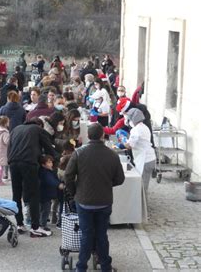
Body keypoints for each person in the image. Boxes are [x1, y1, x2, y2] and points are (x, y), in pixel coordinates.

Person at [64, 123, 125, 272]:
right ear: (103, 136)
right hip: (104, 201)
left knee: (86, 234)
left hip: (84, 201)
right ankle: (105, 266)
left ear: (88, 136)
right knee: (101, 234)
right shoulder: (112, 154)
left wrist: (75, 192)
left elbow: (68, 176)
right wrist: (107, 184)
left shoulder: (79, 153)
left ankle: (81, 267)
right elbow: (120, 179)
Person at [8, 117, 58, 237]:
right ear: (39, 125)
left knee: (16, 194)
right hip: (29, 163)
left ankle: (20, 224)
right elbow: (49, 148)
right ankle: (35, 227)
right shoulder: (37, 129)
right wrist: (56, 159)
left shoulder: (15, 129)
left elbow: (9, 148)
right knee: (34, 194)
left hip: (13, 162)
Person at [123, 108, 156, 192]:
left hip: (145, 159)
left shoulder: (136, 129)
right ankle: (141, 203)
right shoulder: (144, 127)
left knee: (142, 187)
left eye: (128, 119)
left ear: (132, 119)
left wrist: (123, 141)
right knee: (143, 184)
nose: (127, 121)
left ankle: (142, 205)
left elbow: (129, 146)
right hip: (150, 157)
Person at [38, 155, 64, 235]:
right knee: (45, 210)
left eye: (51, 162)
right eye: (49, 162)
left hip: (46, 194)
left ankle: (41, 223)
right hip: (44, 195)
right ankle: (42, 225)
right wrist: (58, 184)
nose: (51, 163)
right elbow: (51, 180)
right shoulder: (45, 172)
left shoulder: (49, 171)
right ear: (43, 164)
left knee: (44, 210)